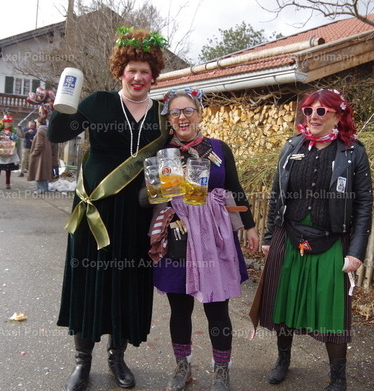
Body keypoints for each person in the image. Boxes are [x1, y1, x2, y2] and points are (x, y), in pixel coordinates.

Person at [47, 27, 169, 391]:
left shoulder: (162, 114)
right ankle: (82, 362)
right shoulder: (98, 102)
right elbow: (57, 134)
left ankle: (117, 357)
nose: (138, 77)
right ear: (121, 71)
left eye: (145, 71)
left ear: (153, 75)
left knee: (127, 283)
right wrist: (62, 105)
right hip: (95, 210)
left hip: (137, 213)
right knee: (90, 280)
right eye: (132, 70)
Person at [249, 89, 373, 391]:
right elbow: (277, 194)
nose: (313, 117)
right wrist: (269, 236)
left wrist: (356, 251)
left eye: (321, 111)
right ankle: (283, 360)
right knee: (284, 301)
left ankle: (338, 377)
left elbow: (364, 204)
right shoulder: (292, 146)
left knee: (332, 309)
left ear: (338, 116)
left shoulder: (353, 152)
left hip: (331, 240)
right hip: (290, 236)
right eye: (308, 110)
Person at [150, 89, 259, 391]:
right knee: (179, 308)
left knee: (217, 308)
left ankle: (221, 371)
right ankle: (182, 367)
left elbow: (235, 186)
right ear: (168, 119)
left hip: (214, 237)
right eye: (175, 112)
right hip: (178, 235)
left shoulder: (219, 149)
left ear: (198, 114)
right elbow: (150, 196)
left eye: (188, 110)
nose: (182, 117)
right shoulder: (161, 153)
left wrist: (250, 226)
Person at [0, 115, 20, 190]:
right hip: (1, 151)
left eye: (10, 122)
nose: (9, 123)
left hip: (9, 151)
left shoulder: (13, 131)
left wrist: (14, 142)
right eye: (7, 122)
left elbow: (17, 139)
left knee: (8, 168)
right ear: (4, 122)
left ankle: (8, 183)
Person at [27, 116, 52, 194]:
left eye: (37, 122)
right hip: (46, 153)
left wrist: (34, 153)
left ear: (39, 123)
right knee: (44, 172)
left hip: (41, 155)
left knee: (39, 172)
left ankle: (40, 189)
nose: (36, 123)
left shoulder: (40, 131)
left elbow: (39, 144)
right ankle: (44, 188)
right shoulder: (47, 130)